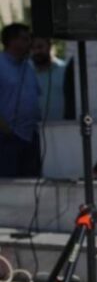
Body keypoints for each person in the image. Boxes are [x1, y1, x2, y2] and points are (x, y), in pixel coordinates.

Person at [0, 23, 42, 177]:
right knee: (8, 186)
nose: (29, 43)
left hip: (30, 135)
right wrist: (5, 128)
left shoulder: (28, 66)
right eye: (25, 39)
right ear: (12, 41)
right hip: (7, 137)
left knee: (30, 185)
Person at [30, 36, 75, 121]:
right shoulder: (26, 73)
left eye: (40, 47)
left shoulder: (65, 70)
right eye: (32, 48)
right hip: (34, 129)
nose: (36, 51)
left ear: (50, 46)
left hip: (62, 127)